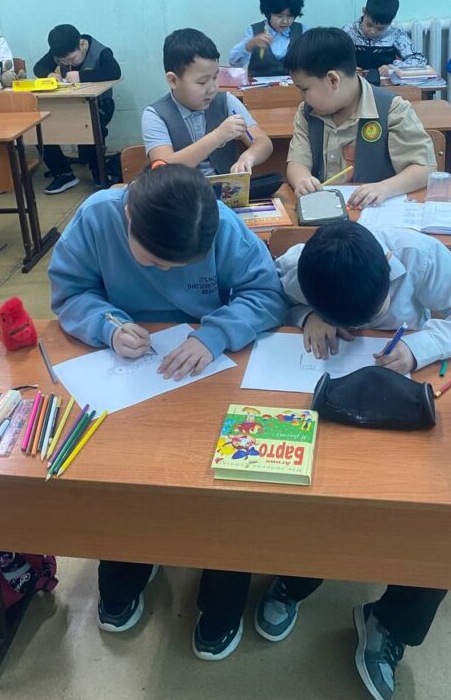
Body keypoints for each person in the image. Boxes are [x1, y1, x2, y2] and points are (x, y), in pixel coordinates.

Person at [48, 164, 290, 659]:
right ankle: (128, 563)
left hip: (210, 366)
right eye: (155, 262)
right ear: (129, 216)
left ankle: (223, 584)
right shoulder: (97, 217)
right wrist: (108, 325)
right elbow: (69, 293)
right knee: (123, 473)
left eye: (178, 266)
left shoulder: (220, 224)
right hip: (126, 369)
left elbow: (267, 294)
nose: (164, 272)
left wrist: (215, 333)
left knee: (228, 472)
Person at [256, 221, 451, 700]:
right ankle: (295, 576)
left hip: (403, 395)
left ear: (390, 270)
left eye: (373, 315)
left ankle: (390, 621)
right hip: (334, 397)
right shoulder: (301, 265)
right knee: (305, 484)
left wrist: (416, 347)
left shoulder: (420, 255)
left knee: (441, 511)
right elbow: (270, 294)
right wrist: (306, 315)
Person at [285, 27, 436, 209]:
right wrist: (302, 180)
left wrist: (384, 188)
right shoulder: (307, 112)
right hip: (325, 212)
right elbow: (297, 161)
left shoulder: (391, 109)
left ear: (333, 80)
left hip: (374, 213)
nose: (302, 97)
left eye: (304, 89)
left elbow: (424, 168)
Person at [142, 28, 273, 176]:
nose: (212, 88)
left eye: (215, 77)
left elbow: (263, 142)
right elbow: (163, 170)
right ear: (173, 80)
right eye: (202, 82)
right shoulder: (155, 115)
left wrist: (249, 157)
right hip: (180, 189)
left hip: (227, 189)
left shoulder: (226, 101)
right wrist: (218, 136)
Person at [34, 23, 121, 194]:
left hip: (100, 105)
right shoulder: (60, 49)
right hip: (68, 105)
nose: (68, 63)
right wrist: (50, 74)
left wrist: (81, 76)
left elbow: (114, 72)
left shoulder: (101, 52)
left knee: (89, 126)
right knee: (38, 128)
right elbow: (39, 67)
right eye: (63, 61)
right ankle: (63, 173)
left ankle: (99, 173)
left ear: (82, 45)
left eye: (72, 59)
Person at [342, 0, 427, 82]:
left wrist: (393, 67)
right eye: (369, 25)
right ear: (364, 11)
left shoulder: (395, 35)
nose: (372, 31)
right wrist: (345, 66)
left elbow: (419, 59)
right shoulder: (348, 31)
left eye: (380, 29)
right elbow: (333, 56)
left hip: (386, 85)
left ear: (390, 22)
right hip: (355, 83)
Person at [228, 0, 305, 75]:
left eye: (290, 16)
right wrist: (249, 45)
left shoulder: (302, 31)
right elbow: (234, 63)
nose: (285, 21)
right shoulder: (253, 31)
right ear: (268, 13)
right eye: (279, 16)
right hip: (259, 83)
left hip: (294, 83)